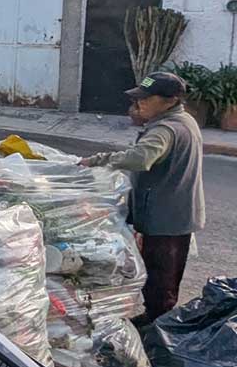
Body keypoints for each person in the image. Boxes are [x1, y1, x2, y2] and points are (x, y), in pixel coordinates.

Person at [80, 72, 205, 322]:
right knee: (162, 275)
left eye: (146, 99)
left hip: (166, 219)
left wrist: (100, 161)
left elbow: (141, 158)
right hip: (175, 213)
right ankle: (155, 319)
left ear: (169, 100)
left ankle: (157, 329)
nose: (139, 104)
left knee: (161, 278)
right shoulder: (182, 120)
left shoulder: (166, 129)